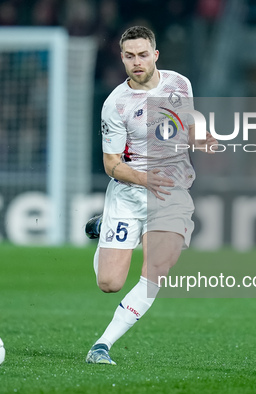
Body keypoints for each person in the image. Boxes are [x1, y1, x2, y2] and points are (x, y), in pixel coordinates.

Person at [84, 26, 216, 365]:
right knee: (110, 283)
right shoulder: (115, 104)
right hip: (129, 193)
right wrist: (145, 178)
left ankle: (102, 345)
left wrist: (202, 136)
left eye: (143, 55)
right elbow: (111, 164)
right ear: (122, 58)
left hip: (171, 193)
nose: (137, 62)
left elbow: (184, 125)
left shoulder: (179, 84)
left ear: (155, 55)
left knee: (157, 267)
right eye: (129, 56)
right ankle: (105, 228)